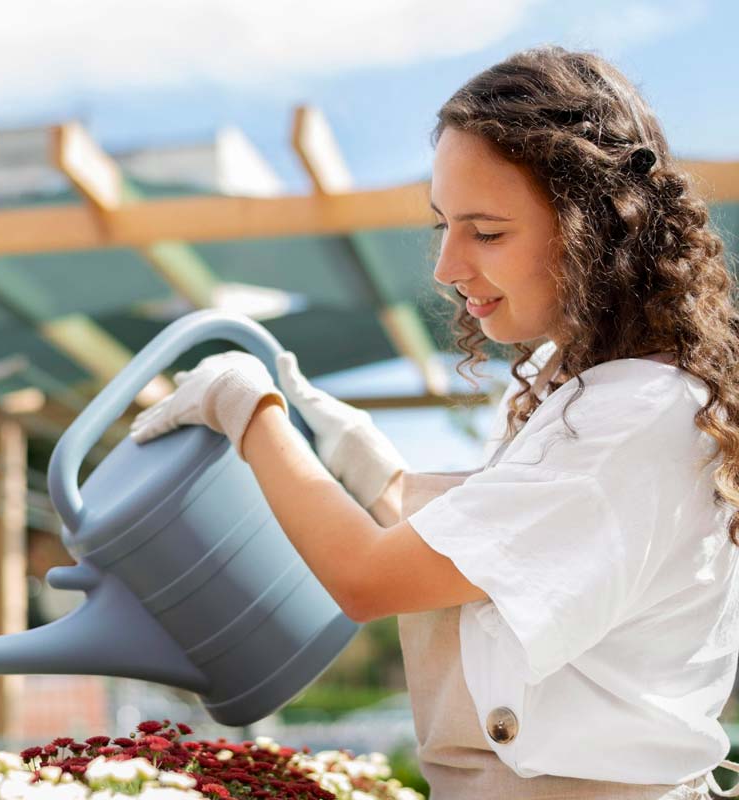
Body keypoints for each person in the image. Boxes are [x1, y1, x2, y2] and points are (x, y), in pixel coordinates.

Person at [130, 46, 739, 799]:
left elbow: (369, 579)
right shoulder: (594, 394)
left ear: (598, 228)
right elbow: (466, 568)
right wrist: (363, 459)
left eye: (486, 232)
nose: (446, 266)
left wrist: (247, 410)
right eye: (443, 224)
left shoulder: (634, 417)